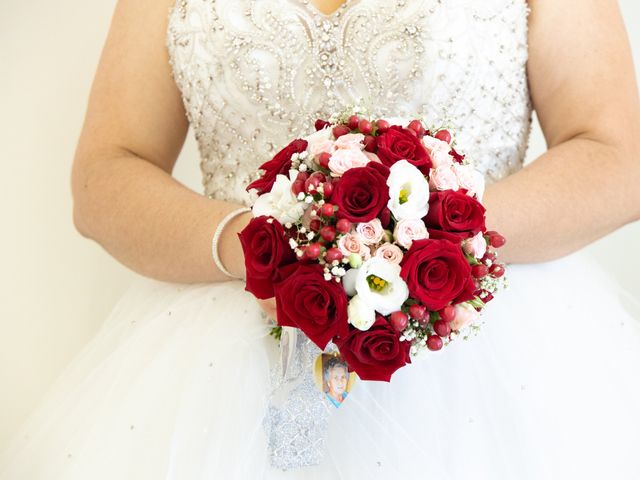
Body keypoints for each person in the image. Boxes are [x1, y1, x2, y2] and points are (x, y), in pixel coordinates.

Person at [1, 0, 640, 478]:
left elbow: (617, 158)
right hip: (225, 345)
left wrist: (432, 235)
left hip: (486, 344)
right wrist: (257, 245)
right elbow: (107, 172)